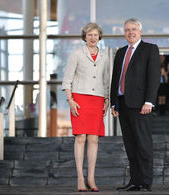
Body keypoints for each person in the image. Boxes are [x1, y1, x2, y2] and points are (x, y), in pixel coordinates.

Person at [110, 18, 160, 192]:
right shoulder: (120, 52)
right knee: (130, 145)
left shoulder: (150, 49)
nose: (130, 32)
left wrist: (149, 101)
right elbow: (115, 79)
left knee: (143, 144)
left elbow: (154, 77)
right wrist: (114, 103)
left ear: (140, 31)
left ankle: (145, 181)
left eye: (133, 29)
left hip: (141, 105)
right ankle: (135, 181)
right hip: (123, 104)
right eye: (127, 30)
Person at [62, 22, 109, 192]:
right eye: (90, 35)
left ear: (99, 37)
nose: (93, 38)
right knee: (80, 137)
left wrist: (106, 99)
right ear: (85, 37)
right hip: (79, 99)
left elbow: (105, 80)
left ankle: (91, 178)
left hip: (97, 100)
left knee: (94, 139)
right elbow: (67, 79)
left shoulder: (104, 57)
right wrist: (70, 100)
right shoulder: (76, 54)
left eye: (95, 35)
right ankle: (80, 178)